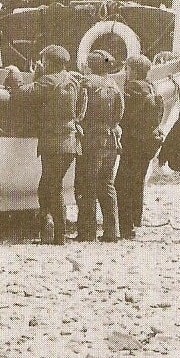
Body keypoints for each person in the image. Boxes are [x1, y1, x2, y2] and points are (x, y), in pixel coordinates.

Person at [4, 44, 85, 245]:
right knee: (48, 185)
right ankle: (50, 231)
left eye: (44, 61)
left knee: (52, 187)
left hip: (53, 142)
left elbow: (22, 94)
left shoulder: (48, 81)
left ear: (50, 62)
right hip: (70, 141)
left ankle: (57, 236)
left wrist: (14, 75)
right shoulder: (72, 80)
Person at [73, 49, 124, 241]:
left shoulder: (85, 83)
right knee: (107, 185)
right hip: (111, 140)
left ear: (91, 65)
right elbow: (119, 114)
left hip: (91, 141)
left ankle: (87, 232)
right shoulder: (114, 85)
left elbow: (78, 110)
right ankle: (112, 231)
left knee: (86, 186)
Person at [116, 54, 164, 239]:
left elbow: (122, 115)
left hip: (132, 142)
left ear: (133, 70)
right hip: (148, 143)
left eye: (127, 68)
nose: (125, 72)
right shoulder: (152, 89)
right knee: (138, 181)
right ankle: (136, 220)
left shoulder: (131, 90)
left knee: (122, 183)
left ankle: (126, 227)